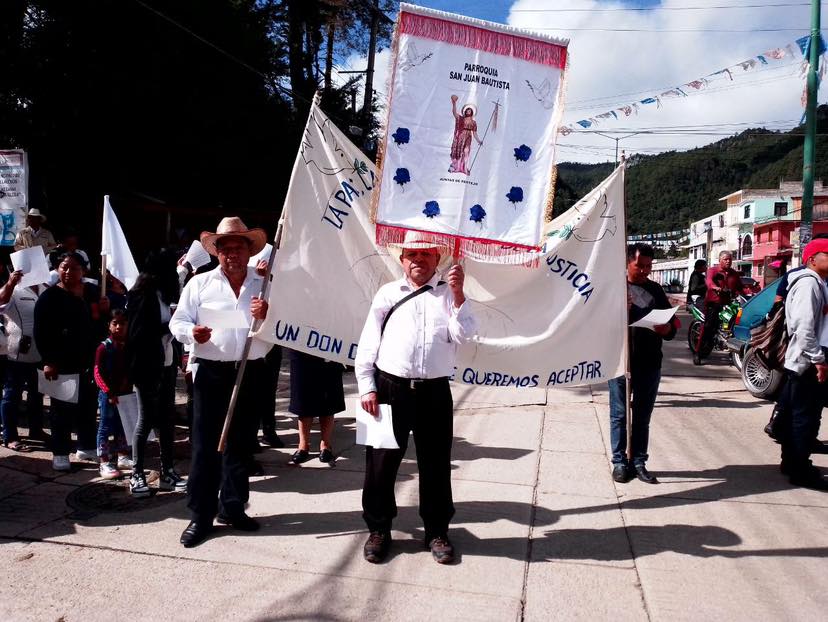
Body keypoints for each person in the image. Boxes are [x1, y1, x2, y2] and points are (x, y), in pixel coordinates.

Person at [354, 230, 477, 565]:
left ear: (437, 259)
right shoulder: (387, 293)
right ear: (402, 259)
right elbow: (369, 342)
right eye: (412, 254)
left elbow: (465, 335)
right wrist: (367, 386)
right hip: (388, 389)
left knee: (436, 465)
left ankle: (437, 531)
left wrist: (459, 293)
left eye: (426, 254)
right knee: (379, 466)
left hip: (434, 392)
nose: (418, 260)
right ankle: (378, 529)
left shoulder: (449, 294)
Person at [170, 217, 271, 548]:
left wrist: (268, 313)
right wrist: (191, 333)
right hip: (211, 372)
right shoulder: (199, 285)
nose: (232, 255)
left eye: (238, 248)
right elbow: (178, 322)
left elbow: (281, 328)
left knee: (240, 444)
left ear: (248, 251)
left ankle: (233, 507)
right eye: (225, 249)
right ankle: (200, 515)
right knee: (205, 447)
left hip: (248, 371)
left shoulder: (265, 286)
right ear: (216, 253)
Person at [608, 243, 678, 485]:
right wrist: (619, 311)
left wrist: (665, 327)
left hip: (649, 361)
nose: (645, 271)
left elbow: (671, 327)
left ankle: (638, 461)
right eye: (640, 266)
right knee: (619, 414)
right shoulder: (614, 288)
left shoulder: (655, 290)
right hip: (620, 361)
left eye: (649, 266)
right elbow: (598, 323)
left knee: (642, 416)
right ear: (627, 263)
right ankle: (619, 462)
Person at [34, 252, 110, 471]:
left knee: (87, 406)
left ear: (83, 271)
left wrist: (105, 311)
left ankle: (86, 446)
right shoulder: (49, 298)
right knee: (61, 408)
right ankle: (60, 451)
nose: (68, 272)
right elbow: (42, 332)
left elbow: (106, 323)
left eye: (73, 268)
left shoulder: (94, 292)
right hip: (61, 361)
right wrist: (49, 360)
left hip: (89, 360)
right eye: (64, 267)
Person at [126, 250, 187, 497]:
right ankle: (137, 473)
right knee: (145, 420)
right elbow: (137, 334)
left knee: (167, 421)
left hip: (167, 363)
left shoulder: (165, 293)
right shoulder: (142, 294)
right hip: (147, 366)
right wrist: (167, 326)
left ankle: (167, 472)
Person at [777, 239, 828, 490]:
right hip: (807, 361)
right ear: (811, 260)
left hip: (804, 360)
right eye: (827, 255)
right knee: (804, 417)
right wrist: (818, 359)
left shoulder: (817, 283)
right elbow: (804, 327)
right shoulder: (809, 284)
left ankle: (791, 463)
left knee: (797, 415)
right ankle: (799, 469)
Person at [0, 270, 46, 450]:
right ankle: (10, 436)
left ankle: (36, 430)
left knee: (38, 394)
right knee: (12, 395)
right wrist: (11, 283)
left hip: (40, 352)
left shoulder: (45, 288)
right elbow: (1, 302)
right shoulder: (15, 289)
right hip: (17, 352)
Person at [93, 309, 133, 479]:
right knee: (105, 426)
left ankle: (123, 455)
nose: (119, 327)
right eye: (115, 323)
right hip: (108, 395)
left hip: (125, 394)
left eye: (122, 323)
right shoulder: (103, 348)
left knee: (123, 424)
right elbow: (97, 373)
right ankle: (104, 460)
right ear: (109, 325)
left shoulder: (129, 347)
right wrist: (108, 392)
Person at [286, 350, 344, 466]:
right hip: (302, 349)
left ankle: (325, 445)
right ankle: (303, 445)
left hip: (329, 349)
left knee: (328, 399)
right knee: (303, 399)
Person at [694, 250, 744, 365]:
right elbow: (709, 281)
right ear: (720, 260)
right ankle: (697, 352)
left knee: (735, 324)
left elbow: (740, 287)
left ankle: (733, 349)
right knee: (708, 327)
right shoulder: (712, 270)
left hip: (728, 304)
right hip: (713, 303)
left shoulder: (733, 273)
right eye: (725, 259)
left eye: (730, 259)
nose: (728, 261)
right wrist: (716, 288)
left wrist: (751, 291)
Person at [449, 95, 483, 175]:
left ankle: (463, 168)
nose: (468, 111)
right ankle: (456, 167)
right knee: (459, 151)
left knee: (466, 152)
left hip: (468, 137)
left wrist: (479, 141)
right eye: (467, 110)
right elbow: (454, 113)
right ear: (465, 111)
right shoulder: (461, 118)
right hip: (460, 137)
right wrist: (454, 103)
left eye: (470, 110)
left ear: (472, 112)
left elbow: (474, 133)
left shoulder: (473, 122)